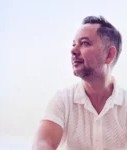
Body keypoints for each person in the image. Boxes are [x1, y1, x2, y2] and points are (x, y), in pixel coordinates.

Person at [32, 16, 127, 150]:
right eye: (74, 44)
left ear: (109, 55)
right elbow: (42, 142)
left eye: (85, 43)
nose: (73, 50)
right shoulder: (63, 100)